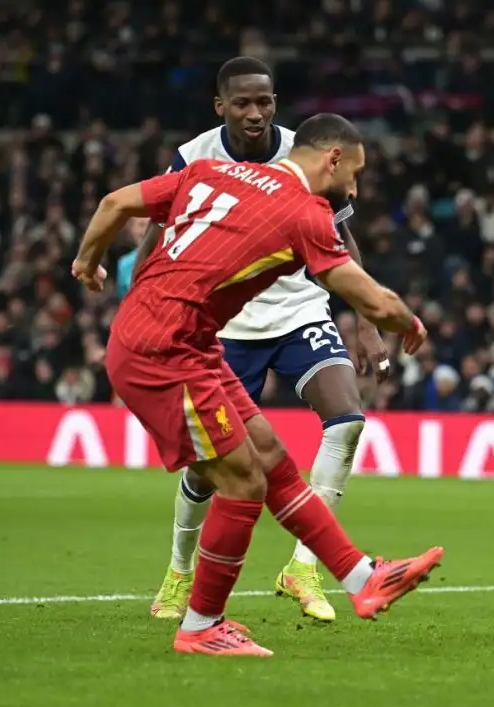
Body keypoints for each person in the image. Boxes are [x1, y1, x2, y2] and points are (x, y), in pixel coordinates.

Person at [72, 112, 441, 657]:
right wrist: (408, 322)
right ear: (332, 159)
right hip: (164, 352)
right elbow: (372, 300)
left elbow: (114, 204)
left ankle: (363, 579)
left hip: (181, 340)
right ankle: (200, 624)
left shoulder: (214, 172)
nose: (354, 189)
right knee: (241, 481)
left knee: (269, 456)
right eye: (354, 175)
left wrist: (87, 261)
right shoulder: (305, 213)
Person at [121, 57, 390, 623]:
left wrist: (365, 322)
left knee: (346, 420)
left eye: (264, 102)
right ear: (220, 105)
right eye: (242, 103)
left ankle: (303, 568)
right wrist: (140, 309)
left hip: (296, 308)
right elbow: (155, 230)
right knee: (207, 469)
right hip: (222, 324)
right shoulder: (194, 156)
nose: (255, 113)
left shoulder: (306, 152)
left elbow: (342, 237)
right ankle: (178, 570)